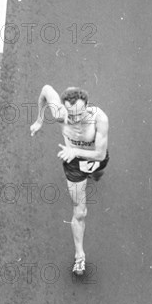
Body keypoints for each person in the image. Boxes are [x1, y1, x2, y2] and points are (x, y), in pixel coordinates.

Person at [30, 86, 109, 275]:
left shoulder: (100, 119)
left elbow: (99, 154)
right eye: (70, 115)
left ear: (87, 106)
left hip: (95, 160)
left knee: (98, 175)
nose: (74, 119)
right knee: (79, 212)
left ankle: (94, 176)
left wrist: (75, 151)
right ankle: (79, 256)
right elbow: (45, 90)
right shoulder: (59, 113)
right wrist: (39, 120)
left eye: (79, 114)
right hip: (73, 165)